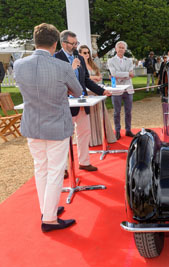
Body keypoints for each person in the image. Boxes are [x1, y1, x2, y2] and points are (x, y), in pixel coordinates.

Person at [13, 23, 82, 232]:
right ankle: (50, 219)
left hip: (32, 124)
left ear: (36, 42)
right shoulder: (62, 66)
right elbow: (78, 92)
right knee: (55, 171)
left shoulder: (19, 65)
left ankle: (47, 209)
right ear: (55, 44)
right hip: (56, 126)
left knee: (40, 168)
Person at [55, 30, 111, 172]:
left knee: (84, 133)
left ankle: (84, 162)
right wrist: (71, 68)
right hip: (66, 104)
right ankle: (63, 168)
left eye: (76, 43)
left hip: (82, 102)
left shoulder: (79, 57)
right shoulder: (55, 58)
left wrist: (101, 91)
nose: (74, 46)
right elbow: (57, 81)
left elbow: (85, 79)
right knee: (64, 138)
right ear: (63, 43)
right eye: (72, 43)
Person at [79, 45, 117, 147]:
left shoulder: (93, 64)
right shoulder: (78, 65)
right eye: (84, 53)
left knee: (100, 114)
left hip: (96, 90)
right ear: (80, 54)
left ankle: (102, 136)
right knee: (89, 116)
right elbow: (82, 78)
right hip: (87, 92)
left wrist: (97, 78)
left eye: (88, 53)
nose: (87, 55)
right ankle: (92, 138)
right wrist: (93, 78)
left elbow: (98, 76)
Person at [107, 41, 135, 140]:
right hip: (116, 90)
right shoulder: (110, 61)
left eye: (123, 48)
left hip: (128, 89)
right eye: (119, 47)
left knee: (128, 112)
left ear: (125, 49)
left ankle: (128, 130)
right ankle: (117, 131)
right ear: (115, 49)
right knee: (116, 112)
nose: (121, 49)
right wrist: (127, 74)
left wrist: (119, 75)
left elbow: (132, 73)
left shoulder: (129, 60)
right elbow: (114, 73)